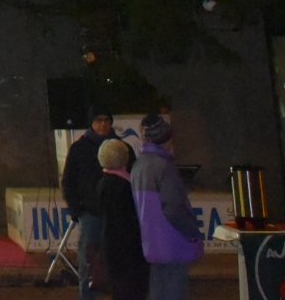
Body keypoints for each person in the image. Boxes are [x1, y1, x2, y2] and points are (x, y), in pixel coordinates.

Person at [131, 112, 201, 300]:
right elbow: (173, 208)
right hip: (173, 243)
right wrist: (192, 232)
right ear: (167, 139)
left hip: (152, 244)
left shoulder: (138, 166)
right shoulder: (164, 167)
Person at [63, 111, 122, 300]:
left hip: (116, 214)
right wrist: (76, 210)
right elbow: (68, 181)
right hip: (90, 214)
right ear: (92, 122)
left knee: (118, 262)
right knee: (88, 263)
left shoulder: (122, 148)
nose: (103, 125)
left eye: (107, 120)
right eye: (99, 120)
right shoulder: (79, 148)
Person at [96, 139, 148, 300]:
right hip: (128, 246)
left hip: (111, 244)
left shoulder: (103, 183)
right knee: (132, 289)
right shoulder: (125, 186)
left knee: (120, 290)